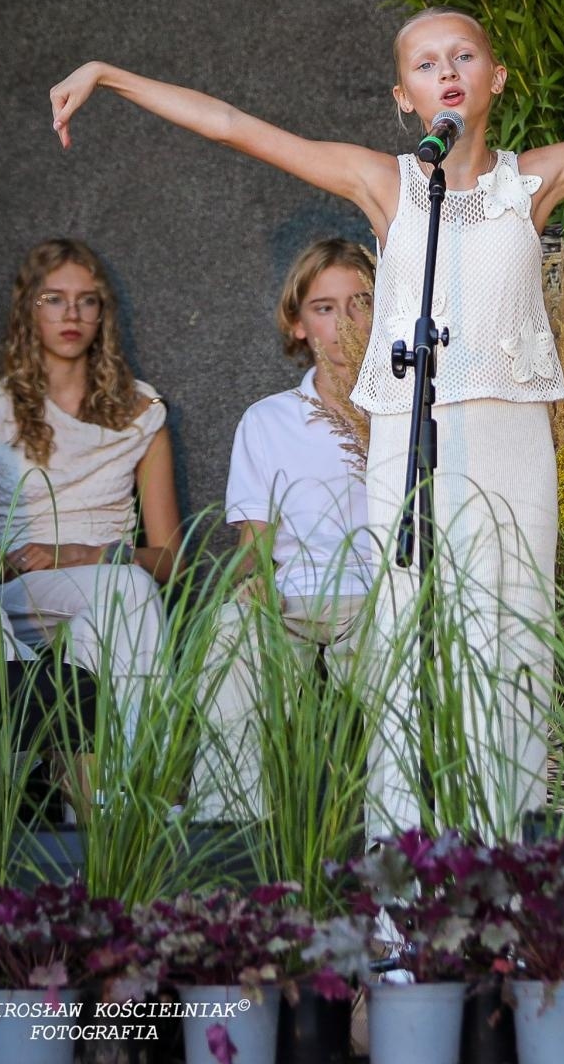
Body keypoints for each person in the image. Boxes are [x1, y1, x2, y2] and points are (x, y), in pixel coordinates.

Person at [49, 10, 564, 833]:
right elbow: (234, 126)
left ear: (494, 78)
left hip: (511, 445)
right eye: (426, 62)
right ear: (404, 97)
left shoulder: (533, 180)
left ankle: (499, 849)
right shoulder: (388, 184)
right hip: (412, 440)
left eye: (464, 55)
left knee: (509, 641)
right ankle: (405, 857)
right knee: (408, 641)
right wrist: (109, 75)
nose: (447, 71)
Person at [0, 238, 183, 747]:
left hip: (112, 582)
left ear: (103, 314)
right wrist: (21, 562)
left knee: (112, 609)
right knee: (126, 591)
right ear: (28, 309)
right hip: (21, 592)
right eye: (54, 299)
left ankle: (93, 784)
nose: (71, 314)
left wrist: (84, 554)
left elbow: (172, 560)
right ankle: (136, 780)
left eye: (87, 300)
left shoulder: (143, 411)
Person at [193, 237, 375, 819]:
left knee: (398, 646)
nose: (344, 323)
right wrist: (251, 582)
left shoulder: (410, 410)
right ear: (299, 324)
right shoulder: (268, 420)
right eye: (324, 308)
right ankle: (232, 829)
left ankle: (400, 838)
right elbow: (254, 546)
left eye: (360, 302)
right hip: (293, 598)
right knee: (232, 635)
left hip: (381, 595)